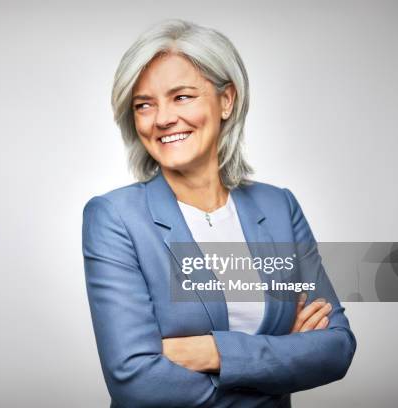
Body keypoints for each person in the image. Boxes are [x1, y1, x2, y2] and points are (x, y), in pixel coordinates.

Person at [82, 19, 356, 407]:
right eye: (145, 104)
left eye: (181, 97)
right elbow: (136, 382)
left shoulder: (278, 206)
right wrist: (278, 361)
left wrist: (213, 353)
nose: (162, 118)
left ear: (226, 100)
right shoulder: (113, 217)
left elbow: (336, 347)